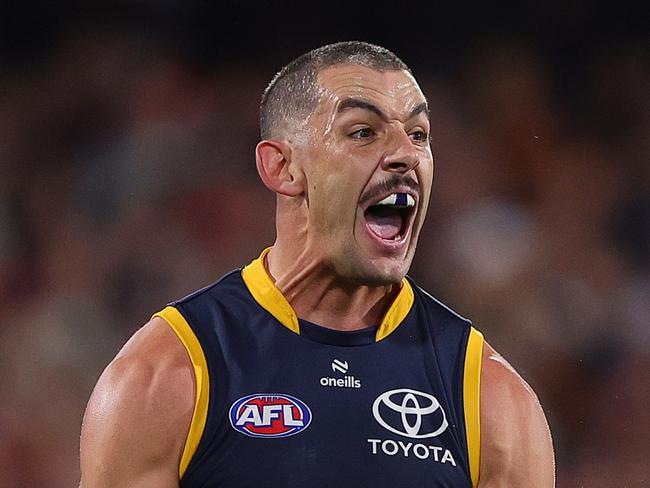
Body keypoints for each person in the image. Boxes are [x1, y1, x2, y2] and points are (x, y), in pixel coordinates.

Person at [79, 41, 555, 487]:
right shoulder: (168, 372)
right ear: (282, 168)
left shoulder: (489, 397)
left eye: (418, 134)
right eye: (363, 132)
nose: (405, 155)